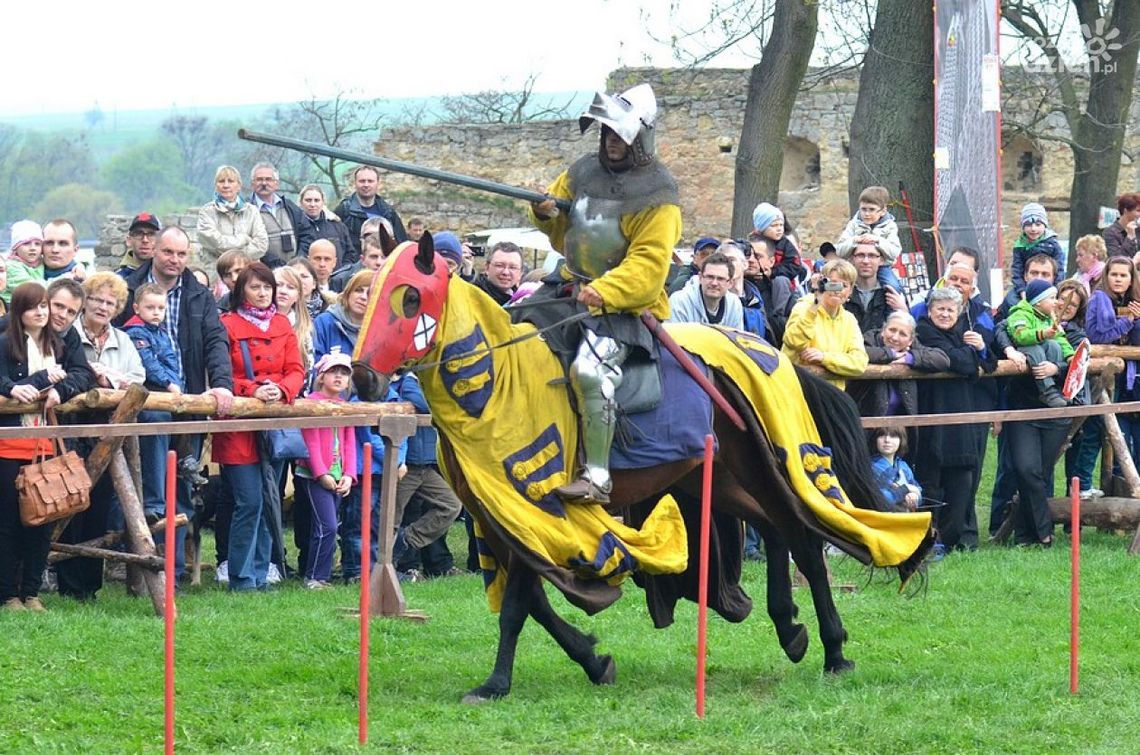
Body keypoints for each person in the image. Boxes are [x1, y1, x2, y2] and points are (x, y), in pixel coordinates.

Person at [529, 82, 682, 504]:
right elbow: (570, 233)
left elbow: (649, 266)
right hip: (568, 290)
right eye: (606, 134)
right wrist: (544, 213)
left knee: (590, 372)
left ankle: (597, 477)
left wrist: (606, 290)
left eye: (620, 135)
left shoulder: (659, 195)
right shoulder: (581, 172)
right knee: (516, 344)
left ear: (640, 137)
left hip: (625, 309)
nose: (611, 143)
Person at [116, 226, 235, 579]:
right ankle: (138, 568)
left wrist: (222, 386)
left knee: (182, 484)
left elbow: (216, 341)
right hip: (142, 401)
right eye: (169, 252)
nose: (175, 260)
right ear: (155, 251)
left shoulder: (198, 294)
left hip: (188, 401)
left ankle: (175, 571)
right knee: (142, 488)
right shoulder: (130, 289)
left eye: (182, 254)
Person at [0, 283, 92, 612]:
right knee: (9, 521)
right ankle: (9, 594)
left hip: (45, 441)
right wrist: (15, 387)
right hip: (11, 442)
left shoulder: (61, 341)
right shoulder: (6, 338)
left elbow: (82, 373)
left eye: (45, 307)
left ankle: (32, 591)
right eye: (39, 306)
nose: (47, 313)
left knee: (43, 520)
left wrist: (62, 389)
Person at [214, 263, 305, 591]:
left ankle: (262, 572)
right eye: (256, 287)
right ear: (241, 291)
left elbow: (296, 369)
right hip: (239, 426)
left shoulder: (282, 324)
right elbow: (222, 373)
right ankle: (241, 576)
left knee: (271, 497)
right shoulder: (226, 324)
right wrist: (252, 390)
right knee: (248, 500)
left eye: (267, 287)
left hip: (274, 423)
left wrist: (280, 390)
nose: (264, 292)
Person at [59, 273, 145, 601]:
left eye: (111, 302)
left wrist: (119, 381)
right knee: (72, 505)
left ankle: (90, 585)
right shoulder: (68, 335)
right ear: (85, 301)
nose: (103, 306)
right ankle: (68, 583)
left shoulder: (122, 341)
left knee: (97, 507)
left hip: (109, 434)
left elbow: (139, 377)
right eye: (97, 299)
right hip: (74, 430)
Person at [914, 286, 996, 552]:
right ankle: (927, 540)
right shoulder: (924, 330)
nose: (946, 314)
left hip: (961, 419)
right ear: (930, 310)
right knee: (931, 479)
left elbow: (989, 364)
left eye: (951, 309)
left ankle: (948, 539)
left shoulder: (964, 333)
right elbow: (960, 361)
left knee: (962, 482)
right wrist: (967, 355)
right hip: (932, 415)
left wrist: (980, 348)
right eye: (941, 309)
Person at [296, 353, 357, 589]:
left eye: (344, 373)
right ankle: (315, 577)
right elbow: (309, 441)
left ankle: (321, 575)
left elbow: (350, 442)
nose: (339, 377)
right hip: (314, 476)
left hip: (339, 475)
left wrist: (350, 475)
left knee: (328, 526)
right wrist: (321, 474)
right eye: (334, 372)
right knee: (327, 526)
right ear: (321, 377)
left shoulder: (346, 407)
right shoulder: (310, 403)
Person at [781, 258, 868, 389]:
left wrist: (825, 358)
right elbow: (793, 342)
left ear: (850, 291)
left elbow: (859, 362)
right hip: (799, 388)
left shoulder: (849, 319)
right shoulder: (805, 306)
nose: (837, 290)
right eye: (832, 284)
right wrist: (815, 306)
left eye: (844, 286)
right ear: (823, 284)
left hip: (832, 393)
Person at [1086, 256, 1140, 463]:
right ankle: (1082, 485)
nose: (1118, 279)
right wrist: (1128, 322)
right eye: (1113, 274)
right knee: (1095, 431)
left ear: (1130, 278)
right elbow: (1101, 336)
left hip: (1123, 374)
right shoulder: (1100, 298)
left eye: (1123, 275)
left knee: (1113, 433)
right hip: (1101, 372)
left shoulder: (1129, 301)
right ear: (1106, 276)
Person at [848, 310, 950, 419]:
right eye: (892, 330)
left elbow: (942, 360)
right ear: (883, 330)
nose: (895, 337)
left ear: (911, 340)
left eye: (903, 334)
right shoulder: (869, 339)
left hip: (900, 424)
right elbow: (861, 352)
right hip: (864, 419)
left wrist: (910, 358)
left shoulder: (912, 347)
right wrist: (891, 354)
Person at [1056, 281, 1102, 499]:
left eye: (1072, 304)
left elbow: (1076, 363)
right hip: (1049, 401)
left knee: (1073, 462)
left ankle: (1074, 522)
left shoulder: (1076, 334)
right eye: (1062, 300)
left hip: (1074, 401)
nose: (1065, 307)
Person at [1005, 279, 1073, 408]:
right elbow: (1020, 336)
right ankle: (1046, 389)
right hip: (1023, 351)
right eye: (1052, 298)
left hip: (1043, 352)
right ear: (1038, 302)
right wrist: (1042, 334)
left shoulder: (1049, 317)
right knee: (1034, 348)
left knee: (1054, 345)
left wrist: (1070, 356)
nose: (1056, 302)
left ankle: (1054, 386)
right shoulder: (1020, 314)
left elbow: (1060, 338)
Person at [836, 186, 905, 293]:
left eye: (872, 210)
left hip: (881, 267)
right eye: (863, 209)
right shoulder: (853, 225)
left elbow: (895, 252)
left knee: (894, 287)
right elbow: (839, 250)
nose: (867, 214)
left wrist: (878, 240)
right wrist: (855, 240)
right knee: (837, 287)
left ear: (883, 211)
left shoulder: (890, 226)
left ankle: (895, 309)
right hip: (854, 266)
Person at [333, 165, 407, 264]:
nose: (366, 185)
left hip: (383, 267)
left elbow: (401, 244)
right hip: (354, 269)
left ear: (378, 183)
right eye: (362, 181)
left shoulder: (388, 213)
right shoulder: (344, 211)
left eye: (370, 181)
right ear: (355, 183)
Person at [196, 165, 268, 261]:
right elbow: (217, 244)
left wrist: (239, 259)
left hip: (247, 270)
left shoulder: (252, 211)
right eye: (221, 181)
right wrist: (244, 239)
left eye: (230, 181)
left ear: (238, 186)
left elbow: (262, 244)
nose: (226, 185)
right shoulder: (207, 212)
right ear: (216, 186)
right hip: (216, 271)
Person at [249, 163, 312, 269]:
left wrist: (299, 259)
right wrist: (276, 264)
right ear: (252, 184)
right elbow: (249, 242)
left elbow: (307, 233)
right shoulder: (247, 210)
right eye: (259, 179)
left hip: (295, 270)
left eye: (268, 179)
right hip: (264, 271)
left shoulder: (289, 206)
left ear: (276, 184)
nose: (264, 183)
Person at [843, 241, 908, 336]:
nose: (865, 261)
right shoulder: (842, 292)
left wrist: (904, 311)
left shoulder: (892, 292)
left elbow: (906, 333)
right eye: (860, 255)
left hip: (882, 348)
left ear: (881, 260)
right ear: (852, 259)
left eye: (872, 255)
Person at [313, 269, 372, 367]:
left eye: (370, 294)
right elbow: (315, 364)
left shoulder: (379, 332)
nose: (363, 297)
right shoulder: (324, 322)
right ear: (348, 293)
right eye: (358, 290)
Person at [667, 251, 743, 327]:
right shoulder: (680, 301)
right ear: (700, 277)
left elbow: (738, 338)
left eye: (720, 279)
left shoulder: (734, 305)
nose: (714, 283)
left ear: (730, 283)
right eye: (710, 277)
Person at [1010, 202, 1063, 292]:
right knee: (1010, 300)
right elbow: (1017, 270)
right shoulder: (1020, 246)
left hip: (1049, 287)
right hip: (1027, 287)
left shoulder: (1053, 245)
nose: (1033, 229)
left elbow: (1059, 269)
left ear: (1045, 225)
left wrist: (1055, 289)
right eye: (1028, 225)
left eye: (1038, 225)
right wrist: (1021, 290)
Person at [752, 202, 806, 288]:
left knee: (780, 281)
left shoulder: (785, 244)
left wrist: (773, 272)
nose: (779, 229)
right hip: (757, 279)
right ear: (762, 227)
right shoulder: (753, 242)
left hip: (781, 284)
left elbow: (794, 264)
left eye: (781, 225)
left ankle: (781, 302)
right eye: (774, 225)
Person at [870, 426, 921, 512]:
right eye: (882, 435)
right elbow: (876, 499)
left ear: (901, 440)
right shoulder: (871, 467)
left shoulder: (903, 466)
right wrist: (904, 490)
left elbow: (916, 489)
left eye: (893, 436)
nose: (887, 440)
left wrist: (915, 496)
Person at [298, 184, 354, 263]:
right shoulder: (296, 227)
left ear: (323, 202)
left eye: (316, 200)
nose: (312, 204)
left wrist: (343, 272)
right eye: (308, 200)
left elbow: (350, 254)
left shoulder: (337, 225)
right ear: (301, 202)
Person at [3, 220, 44, 303]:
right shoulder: (11, 267)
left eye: (37, 244)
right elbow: (33, 290)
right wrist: (67, 278)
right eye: (26, 243)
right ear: (15, 248)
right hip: (11, 308)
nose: (33, 248)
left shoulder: (40, 263)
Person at [473, 241, 524, 306]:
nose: (506, 272)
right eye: (499, 265)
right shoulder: (473, 296)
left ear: (521, 273)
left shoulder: (523, 301)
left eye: (512, 267)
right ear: (487, 268)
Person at [116, 212, 161, 277]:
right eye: (139, 233)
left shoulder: (168, 277)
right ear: (129, 240)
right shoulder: (118, 280)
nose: (145, 240)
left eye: (151, 234)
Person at [1103, 192, 1140, 261]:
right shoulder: (1111, 232)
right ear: (1126, 211)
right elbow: (1116, 259)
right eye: (1138, 211)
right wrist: (1130, 237)